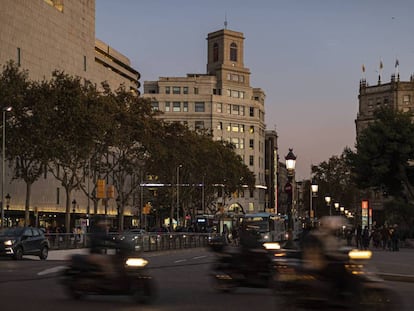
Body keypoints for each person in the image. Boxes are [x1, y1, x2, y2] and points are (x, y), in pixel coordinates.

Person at [301, 216, 352, 294]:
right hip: (320, 267)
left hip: (316, 265)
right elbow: (329, 252)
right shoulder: (321, 237)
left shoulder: (316, 236)